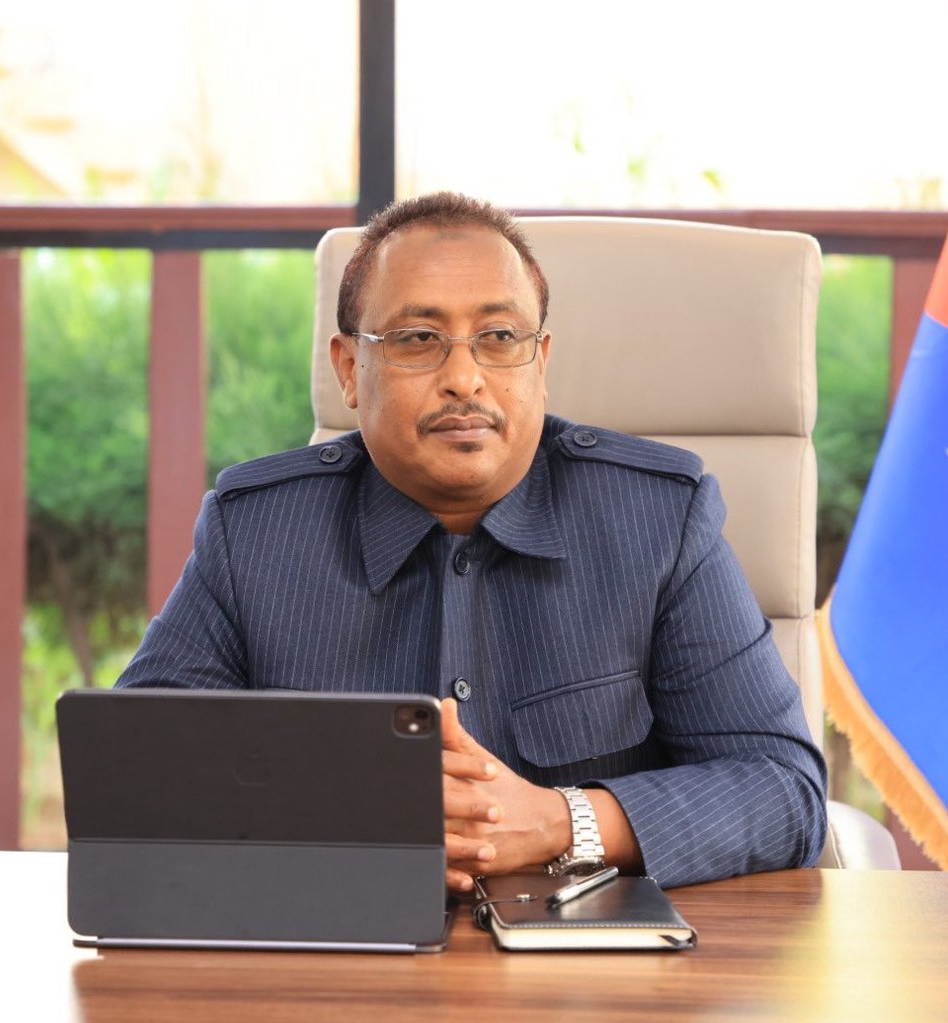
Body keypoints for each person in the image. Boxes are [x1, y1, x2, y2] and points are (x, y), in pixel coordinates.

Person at [119, 191, 827, 889]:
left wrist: (561, 822)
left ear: (540, 363)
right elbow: (135, 773)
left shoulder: (659, 520)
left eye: (500, 338)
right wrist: (357, 808)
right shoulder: (255, 532)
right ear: (349, 370)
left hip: (596, 954)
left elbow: (783, 790)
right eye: (417, 339)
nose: (464, 378)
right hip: (342, 944)